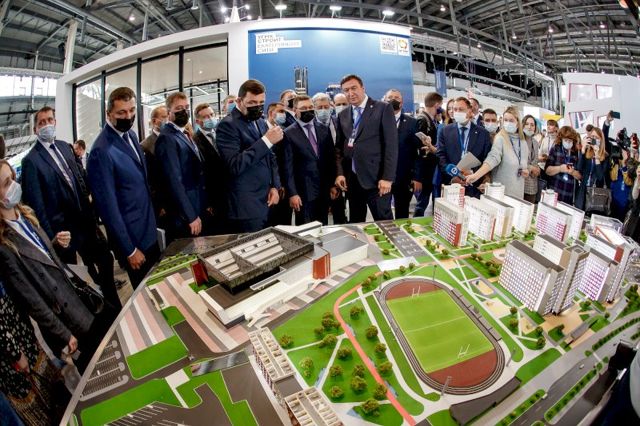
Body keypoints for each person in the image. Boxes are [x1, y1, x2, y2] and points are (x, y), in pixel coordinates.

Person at [0, 160, 111, 374]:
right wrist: (63, 334)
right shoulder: (5, 246)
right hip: (66, 321)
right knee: (99, 369)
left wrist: (55, 245)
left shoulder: (26, 217)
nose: (13, 185)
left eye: (12, 178)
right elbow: (32, 300)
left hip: (78, 300)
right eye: (6, 184)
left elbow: (41, 260)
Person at [21, 107, 120, 310]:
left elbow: (78, 177)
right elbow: (36, 206)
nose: (47, 125)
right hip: (63, 234)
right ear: (35, 129)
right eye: (41, 122)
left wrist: (89, 202)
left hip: (86, 223)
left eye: (50, 120)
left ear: (55, 122)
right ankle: (97, 311)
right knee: (75, 279)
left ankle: (113, 304)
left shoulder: (65, 147)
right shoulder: (31, 161)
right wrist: (52, 240)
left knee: (105, 259)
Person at [87, 87, 159, 288]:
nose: (128, 116)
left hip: (148, 229)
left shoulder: (131, 135)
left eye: (131, 110)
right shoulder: (101, 151)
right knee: (146, 295)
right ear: (108, 114)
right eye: (121, 112)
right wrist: (129, 249)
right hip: (133, 241)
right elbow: (108, 208)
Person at [216, 79, 282, 233]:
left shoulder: (260, 122)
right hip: (245, 206)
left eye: (261, 103)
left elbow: (270, 157)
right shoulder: (227, 125)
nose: (257, 107)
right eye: (252, 102)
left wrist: (275, 186)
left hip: (267, 198)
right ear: (239, 101)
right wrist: (266, 141)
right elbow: (234, 165)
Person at [0, 277, 67, 425]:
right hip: (13, 354)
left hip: (21, 336)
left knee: (54, 393)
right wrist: (17, 354)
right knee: (41, 406)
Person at [334, 74, 398, 222]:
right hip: (352, 180)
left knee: (385, 222)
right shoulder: (343, 115)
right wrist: (340, 173)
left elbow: (391, 146)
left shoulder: (383, 108)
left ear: (363, 88)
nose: (350, 93)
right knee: (356, 223)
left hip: (377, 180)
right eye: (346, 90)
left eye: (354, 88)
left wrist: (387, 178)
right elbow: (339, 148)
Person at [156, 93, 211, 241]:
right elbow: (174, 181)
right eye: (179, 108)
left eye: (186, 107)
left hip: (197, 204)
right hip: (186, 214)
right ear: (169, 112)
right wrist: (190, 215)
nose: (184, 111)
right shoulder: (167, 138)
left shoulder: (183, 133)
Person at [283, 95, 335, 225]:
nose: (308, 110)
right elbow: (288, 167)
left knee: (323, 227)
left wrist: (332, 185)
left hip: (323, 190)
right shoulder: (288, 133)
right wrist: (292, 193)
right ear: (295, 110)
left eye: (310, 107)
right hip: (303, 192)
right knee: (305, 230)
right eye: (303, 108)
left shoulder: (323, 129)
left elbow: (330, 160)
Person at [466, 107, 530, 199]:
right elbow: (493, 158)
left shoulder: (523, 142)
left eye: (511, 120)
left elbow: (523, 164)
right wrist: (476, 175)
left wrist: (526, 171)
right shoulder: (500, 138)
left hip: (518, 192)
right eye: (506, 120)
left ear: (517, 122)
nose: (508, 123)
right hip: (501, 193)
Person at [436, 97, 492, 198]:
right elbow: (441, 156)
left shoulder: (483, 134)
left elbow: (486, 158)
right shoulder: (445, 131)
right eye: (455, 109)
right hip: (451, 186)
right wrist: (453, 176)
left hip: (474, 186)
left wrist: (473, 173)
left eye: (461, 109)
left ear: (469, 111)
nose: (457, 112)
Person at [383, 89, 419, 219]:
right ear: (384, 101)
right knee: (382, 213)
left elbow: (416, 153)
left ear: (402, 102)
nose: (393, 100)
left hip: (404, 178)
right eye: (390, 97)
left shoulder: (412, 122)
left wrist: (416, 177)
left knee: (402, 214)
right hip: (382, 177)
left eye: (396, 97)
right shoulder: (377, 121)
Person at [192, 103, 228, 235]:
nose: (210, 118)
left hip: (230, 193)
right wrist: (207, 202)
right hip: (213, 198)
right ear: (198, 121)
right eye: (205, 117)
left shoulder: (222, 134)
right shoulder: (195, 141)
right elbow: (200, 175)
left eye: (212, 115)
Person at [313, 92, 346, 224]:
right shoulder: (310, 127)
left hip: (339, 174)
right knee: (320, 218)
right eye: (320, 107)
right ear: (314, 108)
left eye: (326, 107)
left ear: (331, 106)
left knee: (340, 214)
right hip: (319, 180)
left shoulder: (340, 123)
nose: (323, 110)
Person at [414, 92, 442, 217]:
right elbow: (418, 151)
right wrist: (417, 176)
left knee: (424, 199)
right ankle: (416, 222)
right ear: (436, 105)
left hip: (429, 169)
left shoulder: (431, 120)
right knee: (422, 202)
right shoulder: (423, 120)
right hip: (424, 170)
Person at [141, 105, 169, 228]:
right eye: (164, 117)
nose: (167, 120)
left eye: (168, 116)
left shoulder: (173, 138)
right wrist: (159, 205)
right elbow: (150, 180)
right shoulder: (146, 146)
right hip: (163, 204)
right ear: (154, 121)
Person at [266, 102, 293, 226]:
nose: (284, 115)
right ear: (271, 113)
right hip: (269, 188)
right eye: (281, 111)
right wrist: (276, 184)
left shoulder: (283, 131)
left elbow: (286, 161)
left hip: (284, 186)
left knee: (285, 223)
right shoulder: (261, 131)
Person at [545, 126, 582, 205]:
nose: (568, 142)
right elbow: (547, 170)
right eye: (566, 140)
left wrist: (573, 172)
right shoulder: (555, 149)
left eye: (570, 140)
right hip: (554, 193)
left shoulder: (576, 153)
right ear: (561, 139)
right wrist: (560, 168)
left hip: (569, 196)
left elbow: (581, 176)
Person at [575, 126, 609, 211]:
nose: (594, 139)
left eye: (596, 137)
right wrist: (583, 150)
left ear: (601, 140)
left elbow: (600, 178)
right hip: (583, 190)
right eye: (592, 137)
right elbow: (578, 168)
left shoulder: (606, 157)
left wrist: (597, 157)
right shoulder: (587, 152)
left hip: (596, 193)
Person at [522, 114, 542, 203]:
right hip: (520, 182)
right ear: (522, 125)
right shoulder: (518, 140)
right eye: (527, 124)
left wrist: (537, 169)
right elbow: (516, 160)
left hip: (532, 185)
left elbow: (535, 161)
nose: (529, 127)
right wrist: (531, 168)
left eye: (532, 125)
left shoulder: (535, 142)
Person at [609, 147, 633, 221]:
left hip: (624, 200)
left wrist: (624, 165)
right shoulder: (615, 162)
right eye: (621, 152)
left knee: (620, 221)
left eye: (624, 152)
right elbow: (613, 177)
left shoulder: (632, 165)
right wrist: (616, 163)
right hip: (613, 198)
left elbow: (628, 182)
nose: (622, 154)